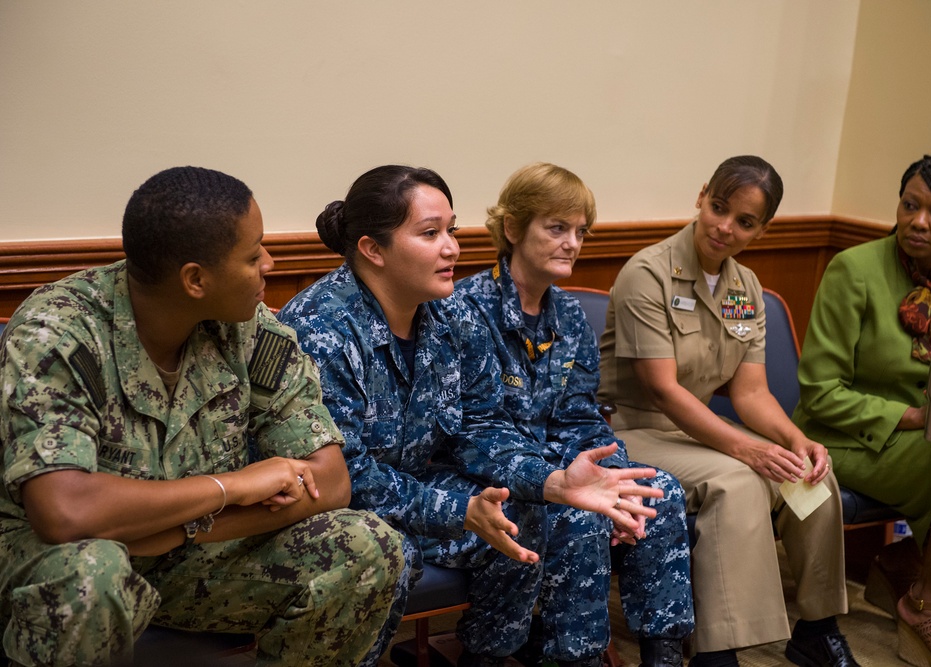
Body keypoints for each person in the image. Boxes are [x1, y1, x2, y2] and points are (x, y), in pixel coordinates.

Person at [0, 166, 405, 667]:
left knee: (368, 546)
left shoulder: (251, 329)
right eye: (253, 254)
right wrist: (230, 487)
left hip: (190, 555)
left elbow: (330, 481)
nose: (270, 264)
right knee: (93, 573)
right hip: (54, 562)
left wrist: (185, 529)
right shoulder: (58, 332)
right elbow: (64, 512)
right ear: (195, 279)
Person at [277, 165, 664, 667]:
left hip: (418, 483)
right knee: (395, 552)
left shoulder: (450, 314)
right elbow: (347, 474)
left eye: (452, 231)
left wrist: (552, 481)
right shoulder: (320, 329)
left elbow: (481, 426)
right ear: (373, 249)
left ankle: (485, 656)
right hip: (340, 510)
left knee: (521, 513)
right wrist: (458, 511)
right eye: (430, 233)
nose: (452, 248)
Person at [598, 155, 861, 667]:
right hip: (631, 429)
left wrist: (793, 440)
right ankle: (719, 653)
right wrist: (747, 449)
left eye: (744, 221)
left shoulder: (746, 288)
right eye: (718, 208)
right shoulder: (648, 273)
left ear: (762, 230)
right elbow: (662, 391)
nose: (724, 227)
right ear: (701, 196)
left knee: (810, 477)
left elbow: (752, 394)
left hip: (698, 430)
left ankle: (817, 628)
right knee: (738, 482)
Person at [453, 162, 694, 667]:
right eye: (556, 227)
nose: (572, 243)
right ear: (514, 229)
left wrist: (612, 476)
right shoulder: (465, 310)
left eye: (581, 231)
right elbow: (476, 434)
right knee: (580, 515)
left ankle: (664, 653)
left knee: (658, 492)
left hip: (563, 470)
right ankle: (574, 658)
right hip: (490, 477)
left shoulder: (569, 316)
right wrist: (564, 481)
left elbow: (580, 418)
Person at [793, 153, 931, 667]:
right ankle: (928, 603)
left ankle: (909, 570)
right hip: (840, 439)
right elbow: (820, 392)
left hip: (926, 438)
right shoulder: (854, 269)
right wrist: (909, 417)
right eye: (910, 204)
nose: (918, 222)